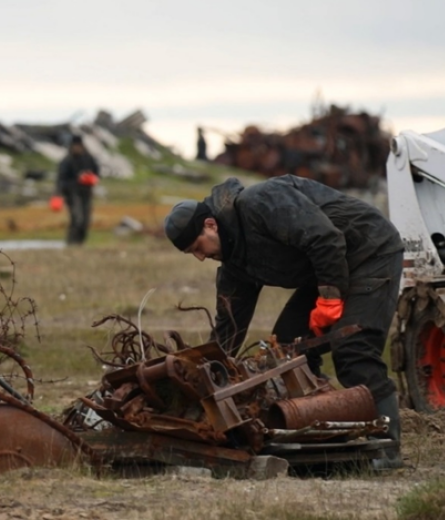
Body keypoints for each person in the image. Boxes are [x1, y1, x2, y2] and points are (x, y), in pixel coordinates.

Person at [163, 174, 405, 469]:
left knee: (353, 351)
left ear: (210, 224)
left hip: (369, 252)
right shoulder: (233, 266)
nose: (201, 257)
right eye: (192, 254)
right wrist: (201, 376)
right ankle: (325, 437)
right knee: (287, 351)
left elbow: (325, 239)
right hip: (326, 268)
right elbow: (228, 333)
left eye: (198, 247)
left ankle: (388, 452)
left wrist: (329, 299)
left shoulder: (261, 202)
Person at [54, 134, 100, 245]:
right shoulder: (67, 161)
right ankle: (71, 242)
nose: (77, 148)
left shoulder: (89, 158)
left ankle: (80, 242)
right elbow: (61, 179)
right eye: (75, 146)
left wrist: (90, 178)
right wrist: (59, 193)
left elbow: (96, 172)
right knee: (77, 219)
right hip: (72, 193)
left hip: (86, 192)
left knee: (85, 220)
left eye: (78, 146)